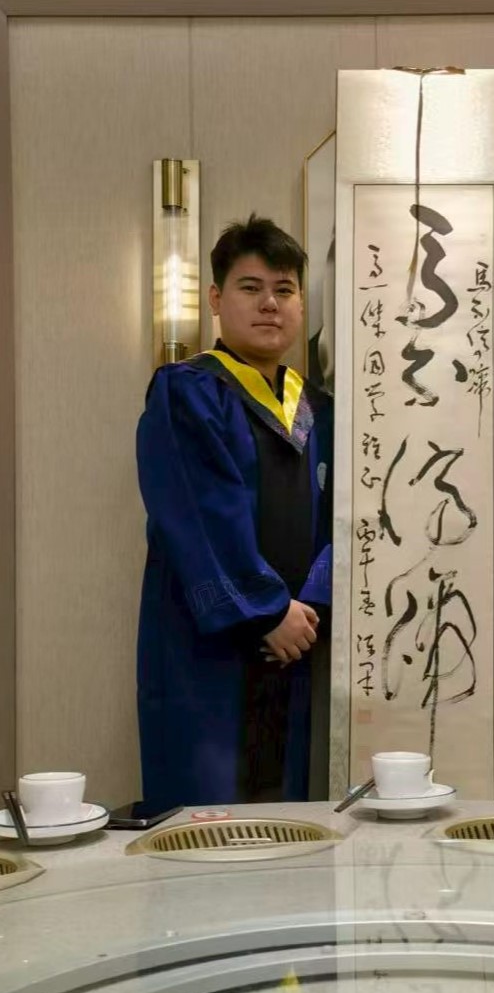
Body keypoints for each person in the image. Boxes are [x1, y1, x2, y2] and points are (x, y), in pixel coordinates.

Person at [136, 214, 332, 808]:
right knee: (209, 810)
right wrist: (267, 611)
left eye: (285, 289)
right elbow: (197, 515)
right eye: (251, 287)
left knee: (288, 816)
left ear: (301, 305)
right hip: (210, 645)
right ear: (217, 299)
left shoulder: (319, 408)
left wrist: (309, 608)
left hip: (298, 641)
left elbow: (346, 520)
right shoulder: (188, 392)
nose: (270, 303)